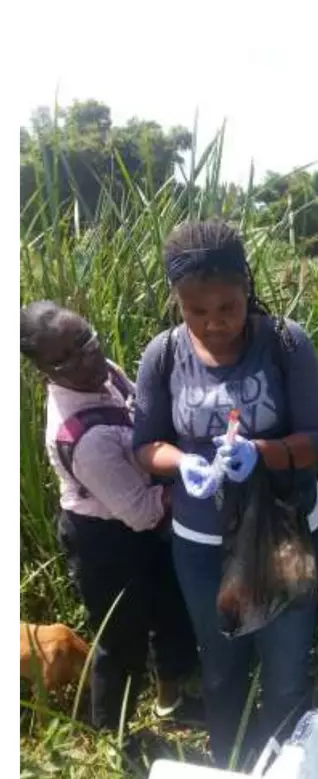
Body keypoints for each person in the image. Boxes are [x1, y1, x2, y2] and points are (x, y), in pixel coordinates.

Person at [131, 221, 318, 768]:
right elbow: (145, 445)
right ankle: (232, 772)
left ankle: (284, 774)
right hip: (200, 545)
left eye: (227, 307)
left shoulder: (286, 343)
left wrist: (262, 453)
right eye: (196, 311)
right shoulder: (164, 354)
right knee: (221, 671)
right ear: (177, 301)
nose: (214, 322)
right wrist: (182, 462)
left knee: (286, 673)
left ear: (247, 286)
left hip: (285, 537)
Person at [23, 301, 198, 731]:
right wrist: (194, 480)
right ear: (43, 370)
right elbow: (141, 512)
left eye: (85, 340)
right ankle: (113, 735)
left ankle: (170, 702)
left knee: (172, 610)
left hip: (146, 514)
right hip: (105, 541)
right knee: (121, 640)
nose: (84, 359)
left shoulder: (106, 373)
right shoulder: (83, 437)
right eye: (63, 359)